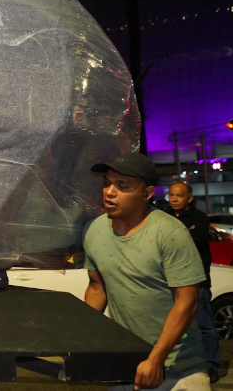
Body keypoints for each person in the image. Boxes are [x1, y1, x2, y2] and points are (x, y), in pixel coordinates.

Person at [84, 153, 209, 391]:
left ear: (147, 193)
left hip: (178, 370)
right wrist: (84, 339)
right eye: (106, 183)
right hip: (125, 365)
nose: (110, 192)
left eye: (122, 186)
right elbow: (97, 288)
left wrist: (156, 359)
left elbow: (187, 302)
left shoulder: (171, 233)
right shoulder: (93, 230)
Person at [166, 181, 221, 383]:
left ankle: (211, 364)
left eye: (179, 195)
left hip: (196, 281)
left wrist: (176, 235)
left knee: (204, 325)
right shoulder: (163, 216)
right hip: (169, 280)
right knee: (174, 325)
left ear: (189, 198)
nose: (174, 199)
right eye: (171, 195)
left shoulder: (199, 218)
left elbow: (192, 240)